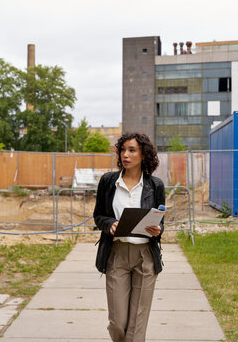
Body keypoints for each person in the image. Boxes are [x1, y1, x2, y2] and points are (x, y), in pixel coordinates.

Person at [93, 132, 165, 342]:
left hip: (145, 256)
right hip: (116, 254)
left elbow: (160, 222)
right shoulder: (108, 182)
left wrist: (158, 230)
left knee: (137, 325)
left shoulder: (155, 185)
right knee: (118, 323)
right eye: (123, 150)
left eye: (132, 150)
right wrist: (109, 224)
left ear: (143, 154)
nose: (125, 154)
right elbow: (98, 216)